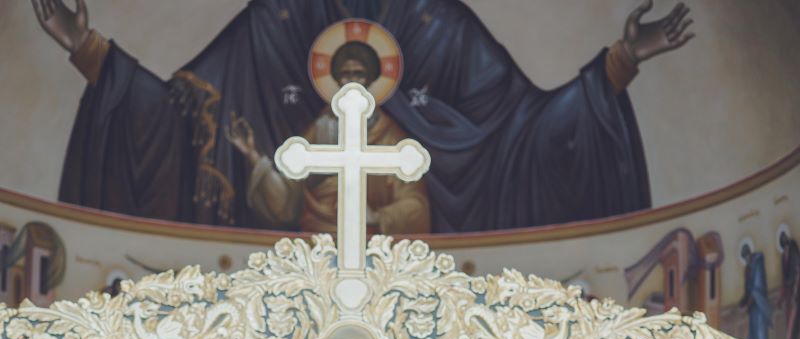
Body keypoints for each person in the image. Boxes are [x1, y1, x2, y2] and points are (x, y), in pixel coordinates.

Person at [33, 0, 691, 232]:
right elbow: (182, 123)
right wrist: (87, 51)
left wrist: (621, 61)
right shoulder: (276, 21)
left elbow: (525, 140)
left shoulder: (443, 26)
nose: (351, 85)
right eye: (341, 74)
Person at [227, 39, 430, 236]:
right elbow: (288, 200)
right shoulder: (321, 129)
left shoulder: (389, 135)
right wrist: (252, 154)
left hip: (369, 240)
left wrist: (377, 216)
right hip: (317, 238)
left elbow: (416, 204)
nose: (352, 81)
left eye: (359, 74)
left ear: (370, 78)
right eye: (345, 74)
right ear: (336, 79)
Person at [740, 241, 773, 339]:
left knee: (760, 336)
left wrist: (747, 305)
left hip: (759, 307)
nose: (746, 260)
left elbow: (756, 290)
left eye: (746, 256)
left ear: (749, 254)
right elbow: (748, 291)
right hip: (753, 309)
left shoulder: (757, 264)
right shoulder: (748, 268)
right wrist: (742, 303)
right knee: (753, 338)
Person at [779, 228, 800, 339]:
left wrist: (794, 293)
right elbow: (785, 278)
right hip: (790, 294)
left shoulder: (793, 249)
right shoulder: (784, 255)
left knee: (793, 326)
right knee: (791, 330)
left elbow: (797, 272)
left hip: (796, 295)